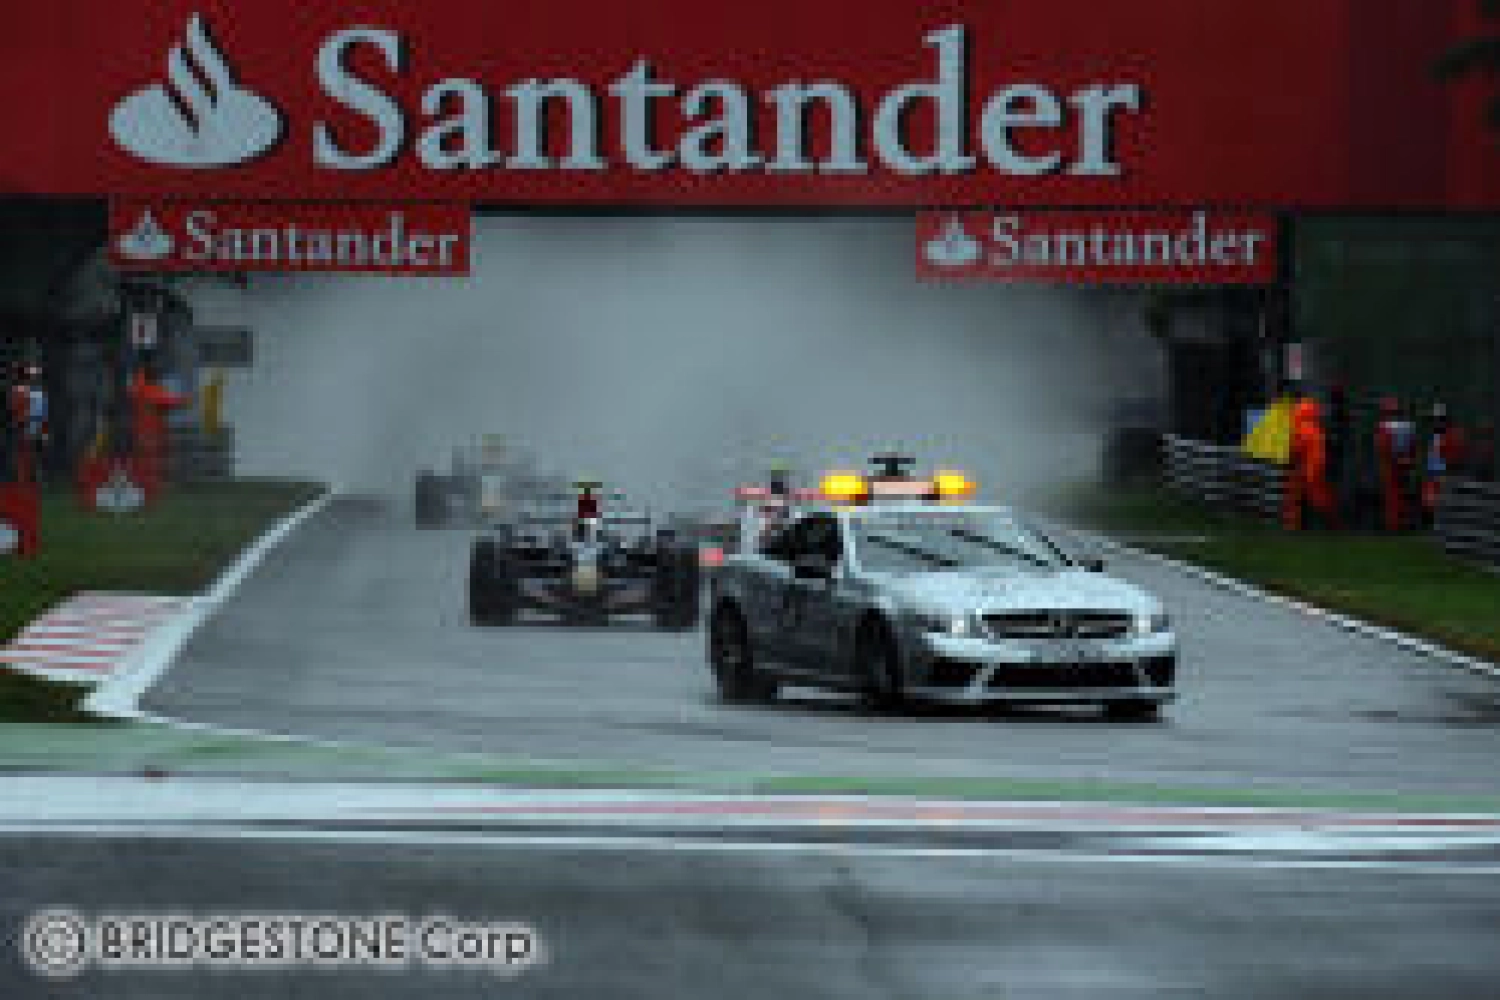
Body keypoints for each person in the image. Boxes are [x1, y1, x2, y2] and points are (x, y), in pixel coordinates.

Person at [128, 360, 191, 502]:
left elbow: (135, 390)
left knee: (141, 459)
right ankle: (150, 488)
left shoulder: (137, 388)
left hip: (138, 430)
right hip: (151, 432)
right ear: (154, 377)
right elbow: (172, 401)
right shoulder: (153, 391)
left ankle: (140, 485)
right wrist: (187, 400)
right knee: (152, 460)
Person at [1283, 396, 1341, 530]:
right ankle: (1331, 521)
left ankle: (1296, 524)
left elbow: (1296, 449)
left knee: (1297, 497)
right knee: (1321, 496)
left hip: (1304, 468)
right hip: (1318, 467)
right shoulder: (1317, 428)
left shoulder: (1300, 428)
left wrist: (1290, 460)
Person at [1421, 403, 1469, 525]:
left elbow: (1454, 455)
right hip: (1435, 472)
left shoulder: (1452, 434)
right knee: (1433, 501)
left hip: (1445, 472)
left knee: (1444, 501)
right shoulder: (1437, 435)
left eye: (1438, 419)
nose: (1435, 423)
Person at [1374, 396, 1416, 532]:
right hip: (1406, 462)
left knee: (1392, 495)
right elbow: (1412, 446)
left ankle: (1393, 525)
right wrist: (1408, 459)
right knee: (1404, 493)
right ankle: (1405, 522)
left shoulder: (1384, 426)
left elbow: (1383, 447)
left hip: (1390, 464)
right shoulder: (1409, 425)